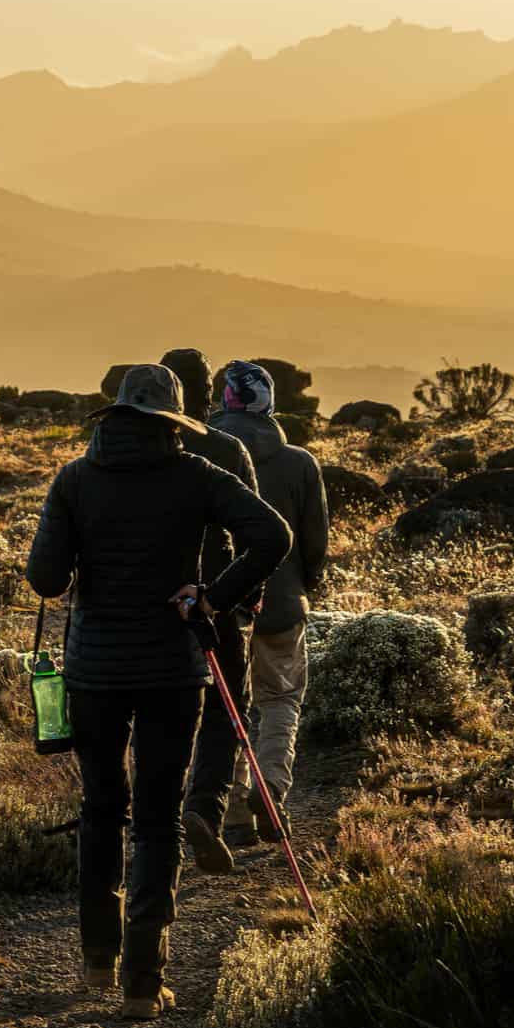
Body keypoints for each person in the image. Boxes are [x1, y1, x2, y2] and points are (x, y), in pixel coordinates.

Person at [26, 364, 289, 1020]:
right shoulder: (197, 476)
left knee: (100, 807)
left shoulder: (74, 479)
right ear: (173, 421)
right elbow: (272, 535)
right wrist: (214, 595)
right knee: (156, 818)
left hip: (93, 672)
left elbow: (45, 578)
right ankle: (143, 982)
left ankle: (96, 959)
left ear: (114, 416)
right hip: (174, 669)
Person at [208, 361, 329, 847]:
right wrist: (305, 581)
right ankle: (271, 788)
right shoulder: (299, 462)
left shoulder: (203, 451)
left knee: (227, 705)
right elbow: (315, 538)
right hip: (281, 603)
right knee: (279, 699)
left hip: (219, 603)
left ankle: (235, 812)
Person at [157, 348, 260, 878]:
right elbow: (257, 534)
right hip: (215, 600)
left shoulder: (132, 450)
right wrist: (242, 594)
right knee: (226, 710)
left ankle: (158, 821)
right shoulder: (228, 449)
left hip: (150, 604)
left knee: (158, 712)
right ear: (208, 393)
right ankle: (204, 810)